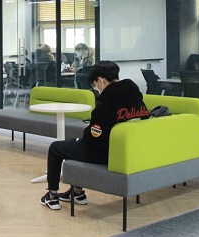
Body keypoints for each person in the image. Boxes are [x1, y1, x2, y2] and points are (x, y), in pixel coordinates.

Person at [40, 61, 149, 210]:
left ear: (101, 80)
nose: (97, 89)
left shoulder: (105, 105)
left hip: (103, 154)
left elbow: (94, 141)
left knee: (56, 148)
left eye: (95, 85)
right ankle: (77, 193)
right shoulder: (137, 100)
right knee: (74, 146)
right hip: (127, 151)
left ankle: (52, 196)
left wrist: (89, 129)